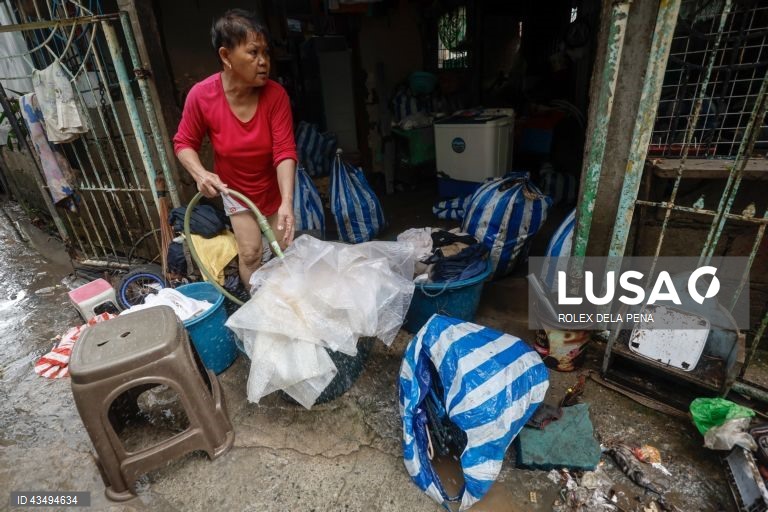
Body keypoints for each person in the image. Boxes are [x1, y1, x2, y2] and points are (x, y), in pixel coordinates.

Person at [173, 9, 296, 287]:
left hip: (273, 188)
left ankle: (288, 308)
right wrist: (201, 174)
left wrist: (287, 201)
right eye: (253, 53)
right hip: (235, 191)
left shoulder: (275, 95)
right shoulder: (202, 96)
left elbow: (285, 150)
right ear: (226, 56)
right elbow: (184, 143)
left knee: (283, 251)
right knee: (251, 253)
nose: (263, 62)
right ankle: (259, 311)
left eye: (265, 53)